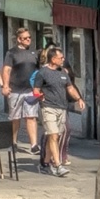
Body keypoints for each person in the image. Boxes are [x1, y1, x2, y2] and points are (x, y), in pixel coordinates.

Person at [31, 45, 83, 175]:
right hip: (48, 108)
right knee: (53, 135)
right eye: (61, 58)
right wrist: (40, 97)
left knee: (55, 137)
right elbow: (36, 91)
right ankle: (58, 165)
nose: (63, 59)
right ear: (53, 59)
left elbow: (70, 88)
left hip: (62, 108)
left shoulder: (63, 72)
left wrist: (79, 99)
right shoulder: (42, 73)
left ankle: (45, 164)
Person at [3, 24, 40, 157]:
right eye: (25, 38)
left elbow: (39, 71)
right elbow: (7, 70)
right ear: (19, 39)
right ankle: (13, 141)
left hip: (30, 90)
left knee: (31, 117)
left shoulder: (34, 53)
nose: (28, 40)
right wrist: (5, 86)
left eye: (29, 38)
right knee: (15, 118)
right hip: (15, 90)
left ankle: (34, 144)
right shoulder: (11, 53)